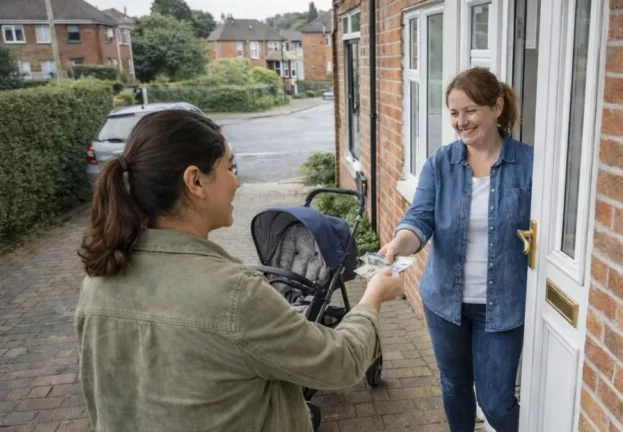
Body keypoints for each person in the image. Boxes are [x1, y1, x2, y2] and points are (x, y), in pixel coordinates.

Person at [76, 110, 403, 432]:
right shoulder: (234, 294)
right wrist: (372, 298)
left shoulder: (98, 281)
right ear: (196, 181)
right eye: (229, 167)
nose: (236, 181)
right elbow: (340, 364)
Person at [379, 68, 533, 432]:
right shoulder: (440, 163)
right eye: (453, 112)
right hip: (445, 303)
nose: (460, 122)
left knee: (496, 402)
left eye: (470, 111)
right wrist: (401, 242)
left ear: (496, 107)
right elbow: (420, 216)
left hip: (504, 305)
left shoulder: (529, 165)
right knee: (455, 387)